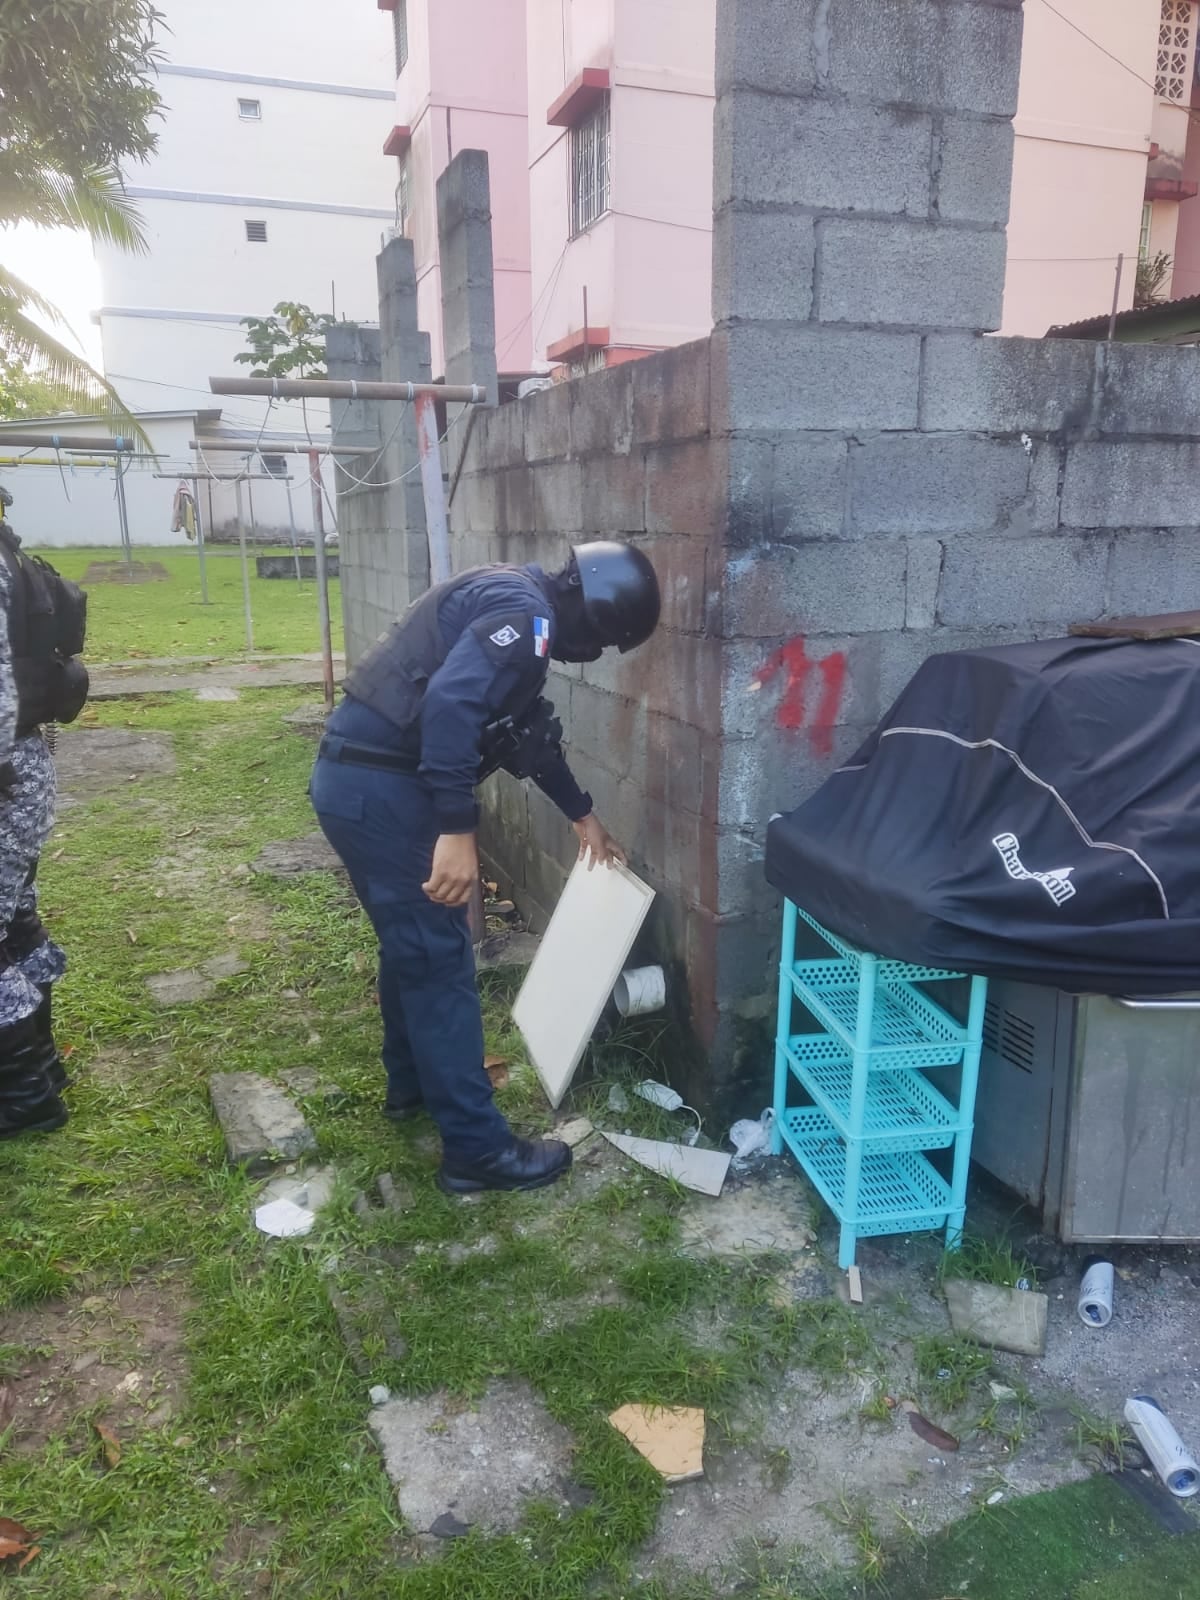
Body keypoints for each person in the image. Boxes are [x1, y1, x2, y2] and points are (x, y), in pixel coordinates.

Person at [310, 541, 660, 1195]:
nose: (595, 652)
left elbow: (523, 730)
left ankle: (410, 1086)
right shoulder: (527, 618)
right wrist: (456, 828)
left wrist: (582, 814)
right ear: (594, 608)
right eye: (605, 638)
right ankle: (477, 1151)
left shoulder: (514, 599)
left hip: (359, 783)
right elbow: (450, 706)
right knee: (441, 961)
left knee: (411, 946)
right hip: (383, 792)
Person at [0, 487, 89, 1138]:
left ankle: (25, 1097)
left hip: (5, 768)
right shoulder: (10, 555)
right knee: (14, 919)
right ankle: (41, 1071)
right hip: (23, 763)